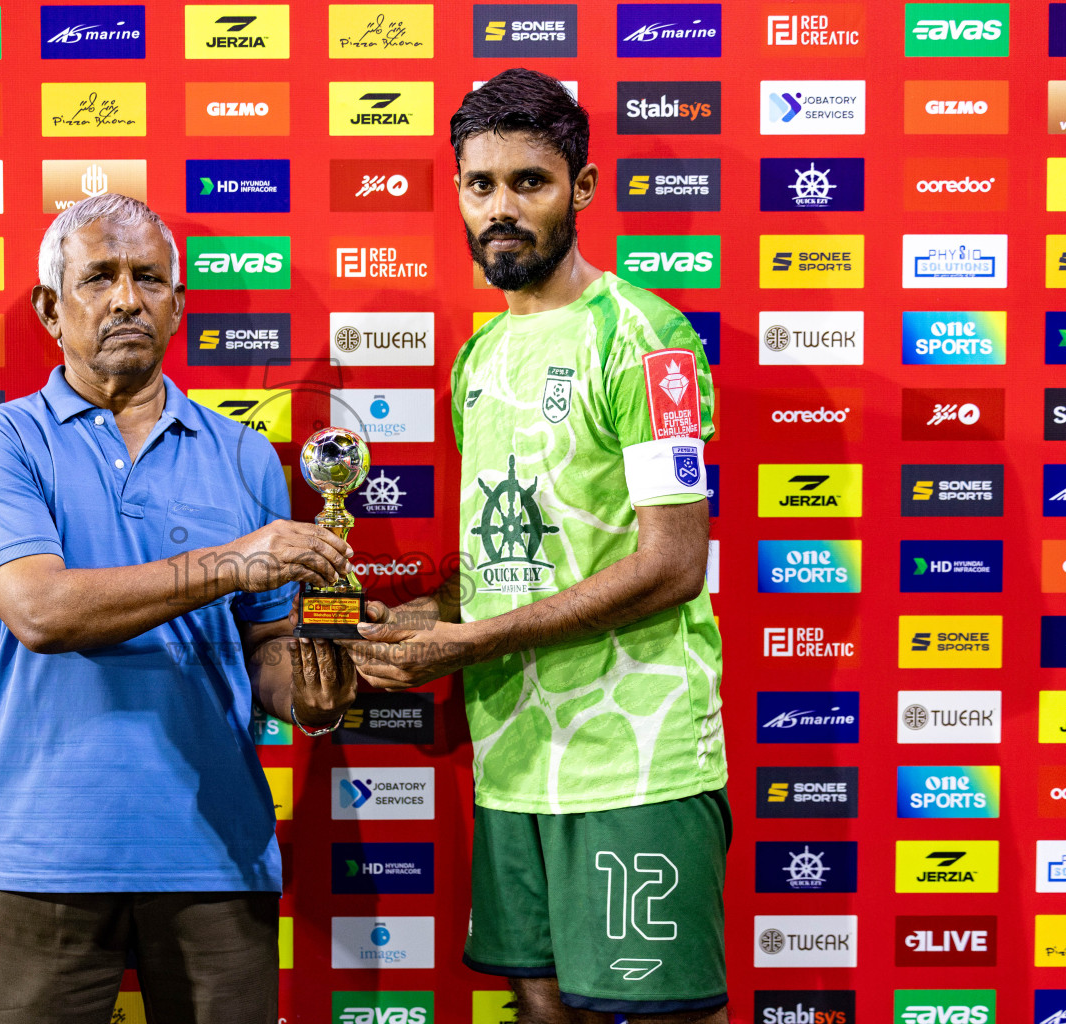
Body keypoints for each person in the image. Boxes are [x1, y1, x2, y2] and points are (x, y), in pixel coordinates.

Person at [342, 69, 728, 1023]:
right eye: (482, 185)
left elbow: (674, 564)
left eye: (530, 182)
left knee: (665, 1014)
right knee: (542, 1006)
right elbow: (509, 562)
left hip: (635, 760)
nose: (501, 209)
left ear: (583, 189)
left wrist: (467, 645)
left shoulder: (649, 338)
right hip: (514, 759)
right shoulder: (475, 359)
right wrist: (422, 620)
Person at [0, 193, 358, 1024]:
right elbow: (42, 611)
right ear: (49, 310)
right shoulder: (1, 440)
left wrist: (309, 691)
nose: (127, 298)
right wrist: (231, 562)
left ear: (178, 305)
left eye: (150, 278)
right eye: (99, 277)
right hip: (43, 859)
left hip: (217, 857)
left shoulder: (244, 454)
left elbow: (267, 646)